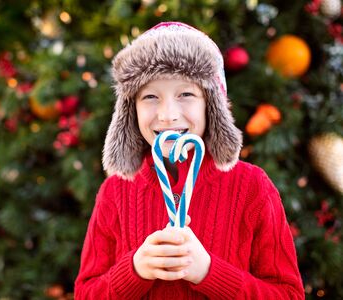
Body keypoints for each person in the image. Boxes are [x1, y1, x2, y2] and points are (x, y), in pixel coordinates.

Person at [74, 21, 304, 299]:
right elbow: (85, 293)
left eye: (186, 94)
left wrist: (210, 272)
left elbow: (289, 294)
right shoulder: (115, 191)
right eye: (149, 96)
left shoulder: (252, 186)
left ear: (212, 106)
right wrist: (133, 270)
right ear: (130, 110)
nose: (168, 114)